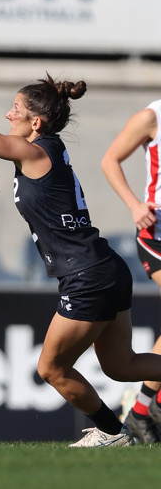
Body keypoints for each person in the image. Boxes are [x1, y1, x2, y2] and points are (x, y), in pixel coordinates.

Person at [0, 43, 161, 447]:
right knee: (122, 365)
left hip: (87, 276)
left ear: (35, 122)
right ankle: (116, 432)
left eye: (16, 109)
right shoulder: (39, 151)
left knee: (51, 368)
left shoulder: (34, 152)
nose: (8, 114)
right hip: (104, 267)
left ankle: (112, 431)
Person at [101, 99, 161, 443]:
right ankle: (142, 412)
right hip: (157, 231)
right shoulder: (151, 117)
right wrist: (135, 205)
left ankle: (144, 412)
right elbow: (110, 160)